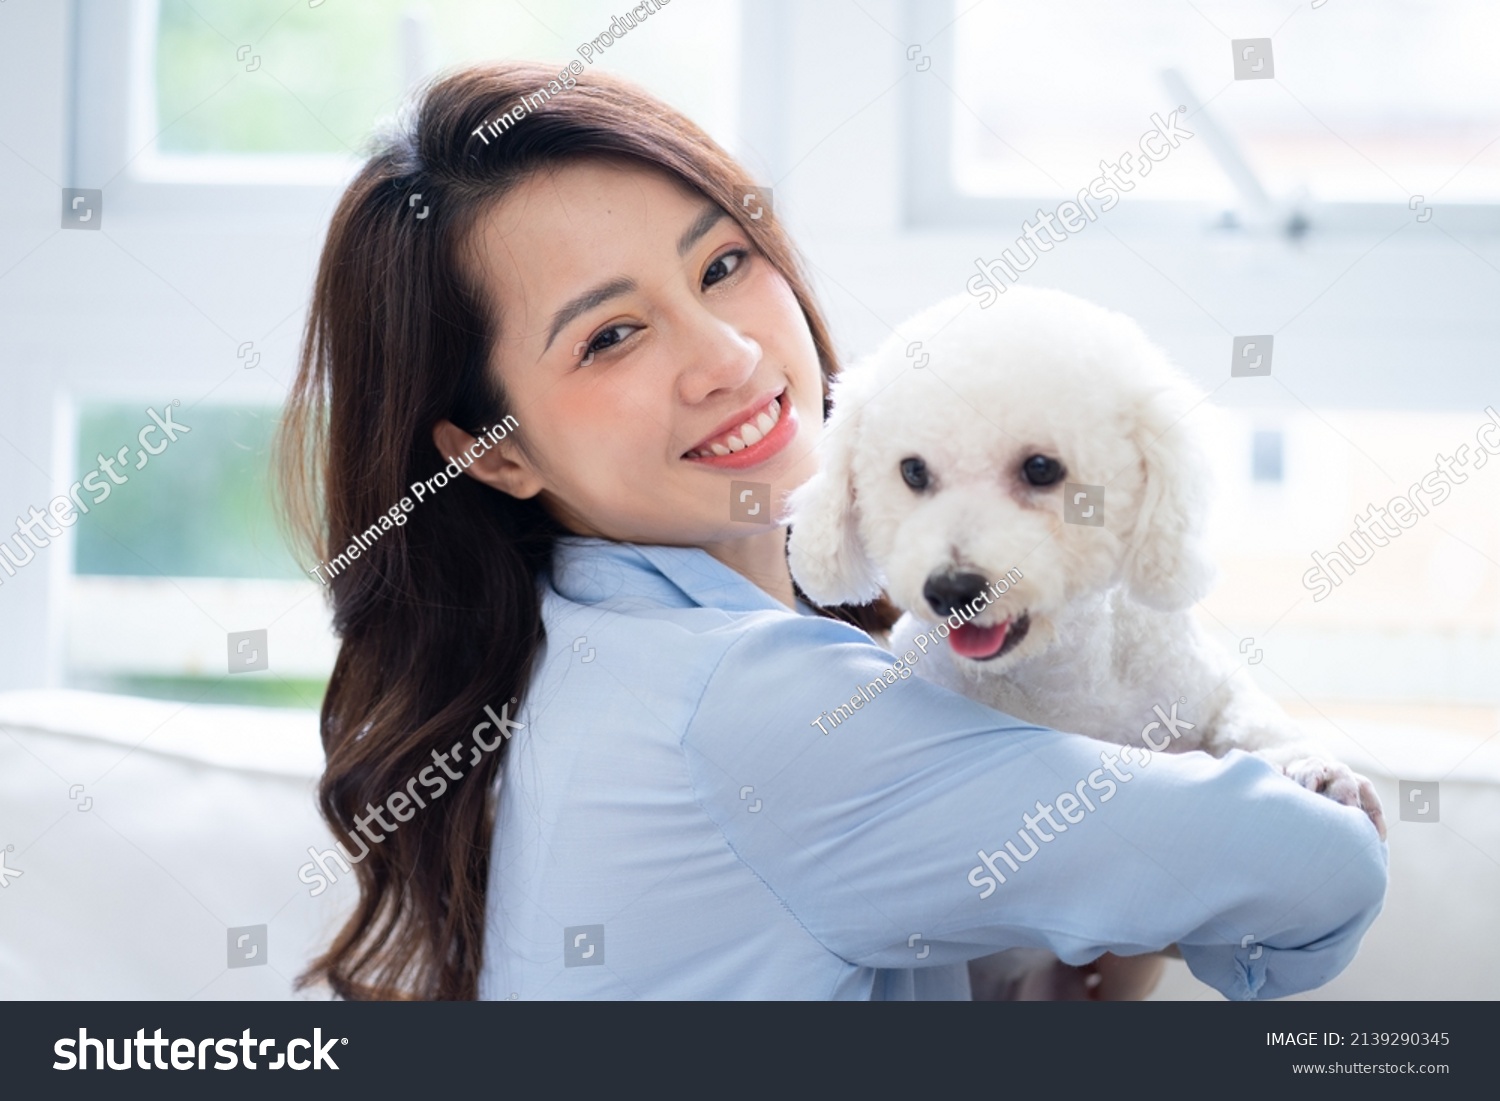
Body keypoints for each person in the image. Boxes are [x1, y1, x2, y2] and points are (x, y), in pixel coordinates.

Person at [277, 62, 1387, 1001]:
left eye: (722, 264)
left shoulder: (585, 637)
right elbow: (1322, 874)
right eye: (611, 336)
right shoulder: (758, 707)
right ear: (493, 451)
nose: (729, 356)